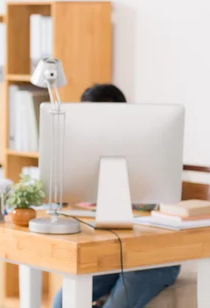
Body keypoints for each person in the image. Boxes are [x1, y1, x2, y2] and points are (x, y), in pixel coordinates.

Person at [52, 83, 180, 308]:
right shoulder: (91, 147)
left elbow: (158, 201)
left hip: (154, 256)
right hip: (112, 251)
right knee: (61, 302)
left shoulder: (149, 141)